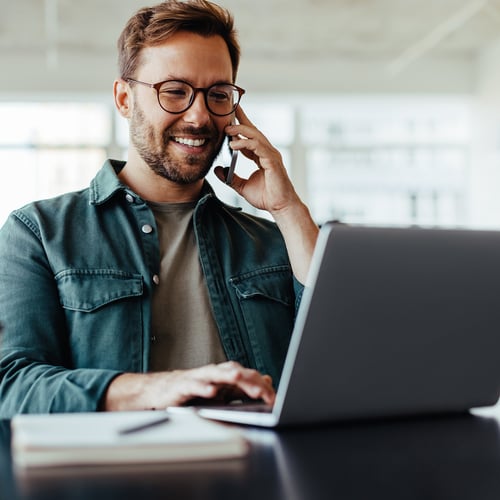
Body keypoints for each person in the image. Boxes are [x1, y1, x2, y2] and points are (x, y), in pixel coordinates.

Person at [0, 0, 318, 417]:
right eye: (175, 92)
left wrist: (287, 207)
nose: (199, 116)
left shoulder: (275, 241)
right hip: (115, 476)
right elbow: (12, 385)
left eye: (217, 95)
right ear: (124, 98)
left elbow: (346, 357)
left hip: (257, 474)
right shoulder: (38, 233)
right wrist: (162, 387)